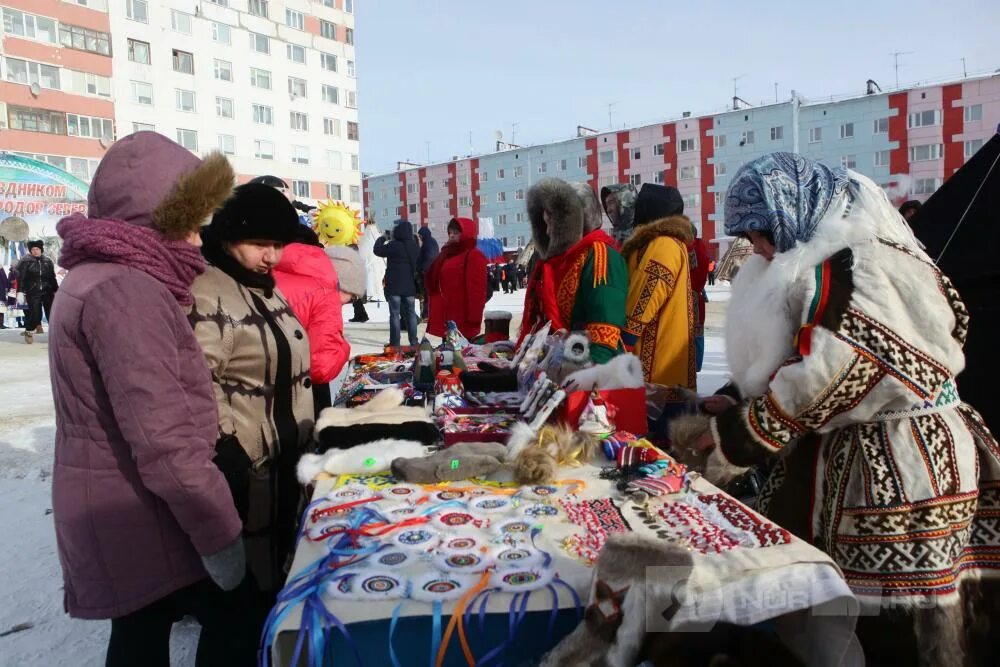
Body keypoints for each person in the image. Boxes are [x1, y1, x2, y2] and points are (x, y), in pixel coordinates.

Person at [693, 153, 1000, 666]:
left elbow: (830, 371)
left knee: (898, 618)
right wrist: (748, 398)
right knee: (908, 612)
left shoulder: (858, 263)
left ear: (794, 208)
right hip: (900, 445)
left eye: (762, 232)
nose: (759, 248)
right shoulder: (875, 253)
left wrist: (738, 434)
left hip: (900, 466)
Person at [48, 132, 256, 666]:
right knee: (232, 615)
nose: (197, 237)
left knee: (140, 634)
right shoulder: (128, 293)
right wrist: (219, 532)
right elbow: (165, 438)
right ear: (155, 219)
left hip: (116, 500)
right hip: (137, 507)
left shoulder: (96, 277)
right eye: (189, 221)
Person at [189, 183, 314, 600]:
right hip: (247, 464)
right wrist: (226, 447)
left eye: (278, 244)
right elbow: (195, 379)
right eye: (260, 243)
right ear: (227, 238)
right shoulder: (207, 291)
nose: (272, 256)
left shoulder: (261, 283)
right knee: (246, 590)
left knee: (275, 565)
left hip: (281, 457)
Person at [521, 177, 628, 362]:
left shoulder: (601, 256)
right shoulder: (565, 259)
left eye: (552, 223)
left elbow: (604, 334)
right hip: (563, 362)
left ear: (577, 219)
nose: (547, 232)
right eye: (545, 224)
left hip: (591, 370)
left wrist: (581, 372)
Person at [620, 184, 696, 422]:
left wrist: (626, 338)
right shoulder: (665, 242)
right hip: (665, 363)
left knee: (655, 441)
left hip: (657, 366)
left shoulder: (663, 243)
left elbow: (649, 291)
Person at [273, 225, 351, 416]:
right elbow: (321, 367)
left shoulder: (259, 277)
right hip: (303, 395)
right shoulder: (323, 288)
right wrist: (344, 348)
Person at [425, 217, 488, 339]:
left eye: (456, 233)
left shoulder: (473, 254)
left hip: (462, 316)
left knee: (460, 354)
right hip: (446, 314)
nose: (452, 236)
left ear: (466, 233)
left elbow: (477, 289)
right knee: (446, 355)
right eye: (450, 232)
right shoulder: (446, 254)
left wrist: (474, 318)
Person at [373, 219, 420, 348]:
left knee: (394, 314)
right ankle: (414, 342)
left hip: (394, 287)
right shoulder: (414, 246)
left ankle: (395, 343)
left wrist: (383, 238)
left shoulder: (393, 245)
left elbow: (377, 250)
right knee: (411, 314)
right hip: (409, 286)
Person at [14, 239, 58, 342]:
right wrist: (20, 291)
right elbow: (21, 278)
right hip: (33, 292)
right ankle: (29, 330)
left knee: (52, 314)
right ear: (30, 250)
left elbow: (52, 277)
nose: (35, 251)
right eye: (33, 249)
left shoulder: (48, 261)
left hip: (48, 291)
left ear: (41, 249)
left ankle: (56, 335)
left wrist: (56, 290)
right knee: (36, 315)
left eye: (37, 249)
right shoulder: (25, 262)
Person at [417, 225, 439, 320]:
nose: (419, 237)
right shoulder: (431, 242)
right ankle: (429, 314)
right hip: (432, 272)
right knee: (428, 295)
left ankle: (427, 315)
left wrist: (423, 270)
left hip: (427, 273)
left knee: (427, 295)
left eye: (420, 235)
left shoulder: (428, 244)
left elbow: (429, 258)